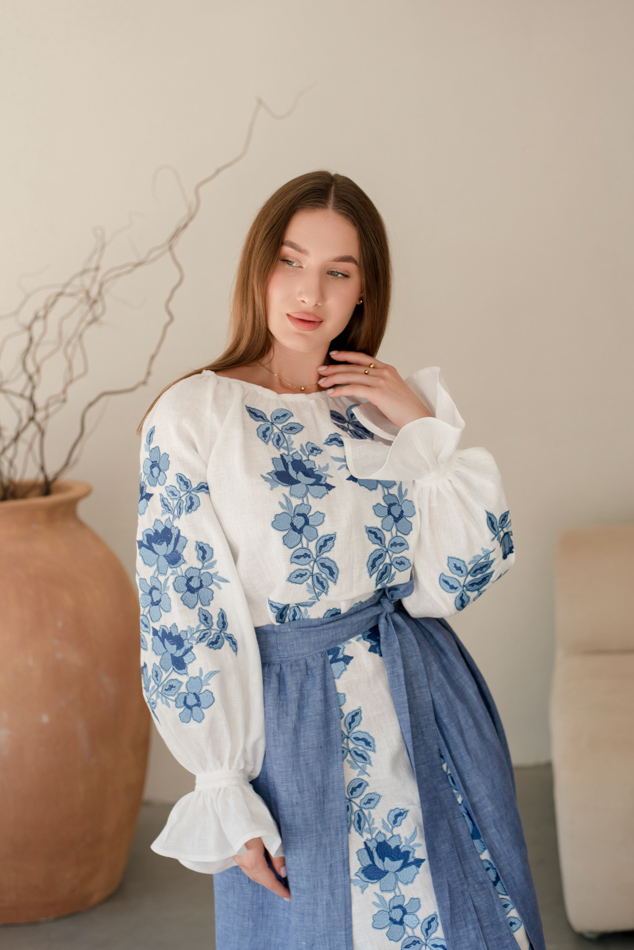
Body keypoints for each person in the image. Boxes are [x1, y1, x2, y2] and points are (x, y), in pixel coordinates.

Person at [136, 171, 545, 950]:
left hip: (427, 702)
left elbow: (462, 576)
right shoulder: (198, 415)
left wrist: (423, 433)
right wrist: (221, 778)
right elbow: (181, 610)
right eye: (290, 262)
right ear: (257, 268)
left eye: (337, 271)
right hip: (292, 725)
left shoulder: (377, 409)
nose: (309, 292)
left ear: (363, 291)